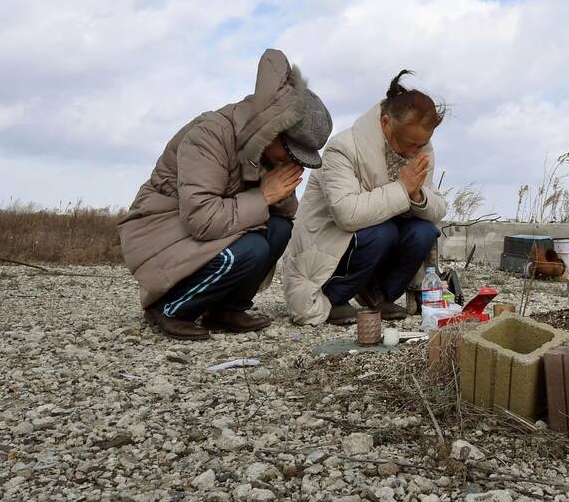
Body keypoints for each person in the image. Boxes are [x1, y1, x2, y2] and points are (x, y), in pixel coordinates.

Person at [118, 49, 331, 340]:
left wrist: (278, 192)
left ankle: (227, 309)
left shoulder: (262, 150)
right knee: (252, 248)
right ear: (272, 131)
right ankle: (169, 307)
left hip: (204, 230)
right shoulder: (210, 135)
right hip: (160, 230)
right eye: (292, 152)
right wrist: (264, 195)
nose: (294, 161)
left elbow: (280, 215)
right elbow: (202, 218)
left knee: (280, 229)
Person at [282, 70, 447, 325]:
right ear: (385, 122)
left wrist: (417, 195)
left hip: (372, 243)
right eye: (409, 143)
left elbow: (437, 209)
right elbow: (347, 215)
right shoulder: (343, 148)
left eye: (422, 144)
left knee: (424, 231)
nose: (415, 151)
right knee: (385, 231)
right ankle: (335, 296)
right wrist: (402, 188)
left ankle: (380, 297)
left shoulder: (420, 148)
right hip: (331, 244)